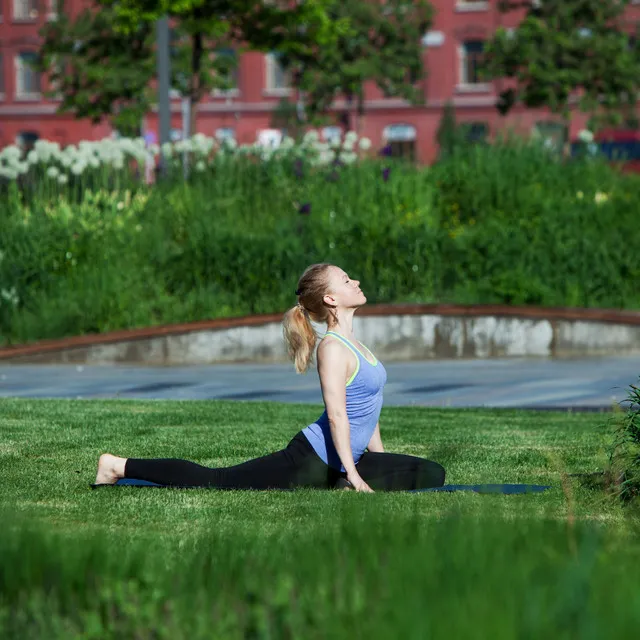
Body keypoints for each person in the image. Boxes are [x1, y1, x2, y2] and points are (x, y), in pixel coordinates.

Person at [94, 263, 446, 492]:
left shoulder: (356, 344)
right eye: (345, 280)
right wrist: (353, 475)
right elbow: (338, 415)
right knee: (218, 480)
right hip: (311, 458)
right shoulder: (333, 349)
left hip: (348, 458)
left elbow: (367, 406)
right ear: (330, 298)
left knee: (432, 474)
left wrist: (378, 458)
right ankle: (117, 466)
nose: (355, 281)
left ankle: (339, 481)